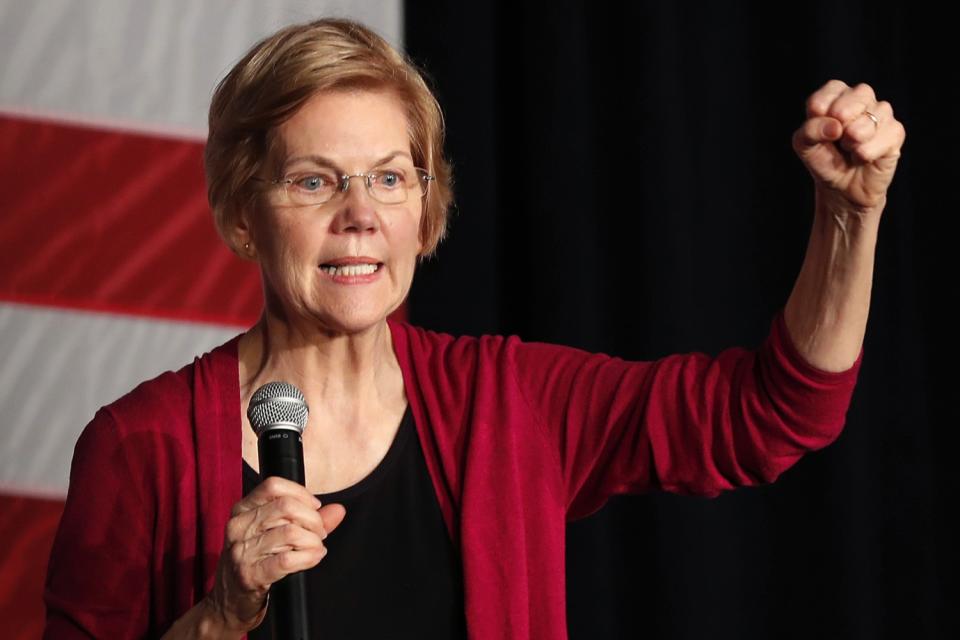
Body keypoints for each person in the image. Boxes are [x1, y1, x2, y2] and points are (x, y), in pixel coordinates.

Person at [42, 17, 905, 640]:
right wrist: (220, 619)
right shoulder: (137, 447)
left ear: (427, 211)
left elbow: (771, 413)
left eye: (389, 179)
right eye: (313, 182)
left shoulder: (512, 402)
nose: (359, 217)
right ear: (241, 216)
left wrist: (847, 217)